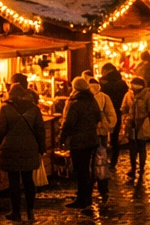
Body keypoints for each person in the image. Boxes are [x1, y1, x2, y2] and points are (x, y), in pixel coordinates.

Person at [0, 73, 45, 222]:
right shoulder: (34, 109)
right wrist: (42, 148)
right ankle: (30, 211)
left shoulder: (5, 109)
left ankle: (16, 212)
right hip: (30, 148)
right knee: (28, 180)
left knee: (14, 181)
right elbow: (40, 130)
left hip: (11, 149)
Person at [59, 78, 102, 212]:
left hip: (79, 141)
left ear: (75, 88)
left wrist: (62, 138)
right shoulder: (92, 100)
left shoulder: (75, 103)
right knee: (86, 169)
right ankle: (87, 197)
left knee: (80, 170)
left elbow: (68, 123)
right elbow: (98, 117)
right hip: (91, 139)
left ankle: (82, 199)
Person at [82, 72, 118, 205]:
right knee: (100, 159)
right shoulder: (104, 98)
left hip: (90, 134)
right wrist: (107, 126)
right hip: (99, 133)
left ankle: (91, 187)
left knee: (92, 160)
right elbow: (112, 116)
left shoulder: (86, 98)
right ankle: (101, 186)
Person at [119, 77, 150, 183]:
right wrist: (126, 118)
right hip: (130, 123)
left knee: (141, 146)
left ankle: (142, 168)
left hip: (143, 123)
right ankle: (133, 168)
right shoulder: (128, 95)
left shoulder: (147, 95)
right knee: (132, 147)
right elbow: (124, 108)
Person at [98, 63, 128, 170]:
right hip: (117, 111)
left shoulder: (103, 83)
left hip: (103, 112)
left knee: (102, 136)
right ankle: (113, 161)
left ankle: (102, 159)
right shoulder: (122, 83)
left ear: (106, 71)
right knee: (114, 137)